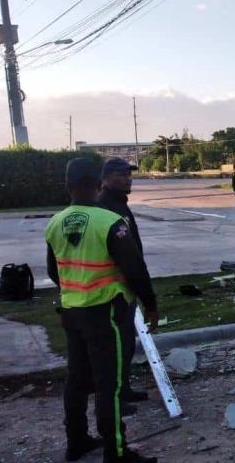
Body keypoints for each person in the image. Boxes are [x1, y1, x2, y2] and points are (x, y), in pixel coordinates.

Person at [45, 158, 159, 463]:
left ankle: (77, 440)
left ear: (67, 186)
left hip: (73, 311)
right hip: (107, 312)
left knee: (78, 379)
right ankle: (116, 452)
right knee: (111, 383)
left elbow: (53, 271)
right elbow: (134, 269)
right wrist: (150, 303)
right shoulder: (108, 221)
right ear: (98, 183)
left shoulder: (55, 222)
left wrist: (78, 287)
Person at [97, 158, 151, 405]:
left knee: (125, 345)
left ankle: (124, 389)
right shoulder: (106, 207)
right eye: (120, 175)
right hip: (110, 293)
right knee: (113, 350)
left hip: (122, 292)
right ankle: (115, 400)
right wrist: (149, 297)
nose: (127, 178)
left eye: (129, 174)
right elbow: (129, 259)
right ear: (105, 179)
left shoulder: (119, 204)